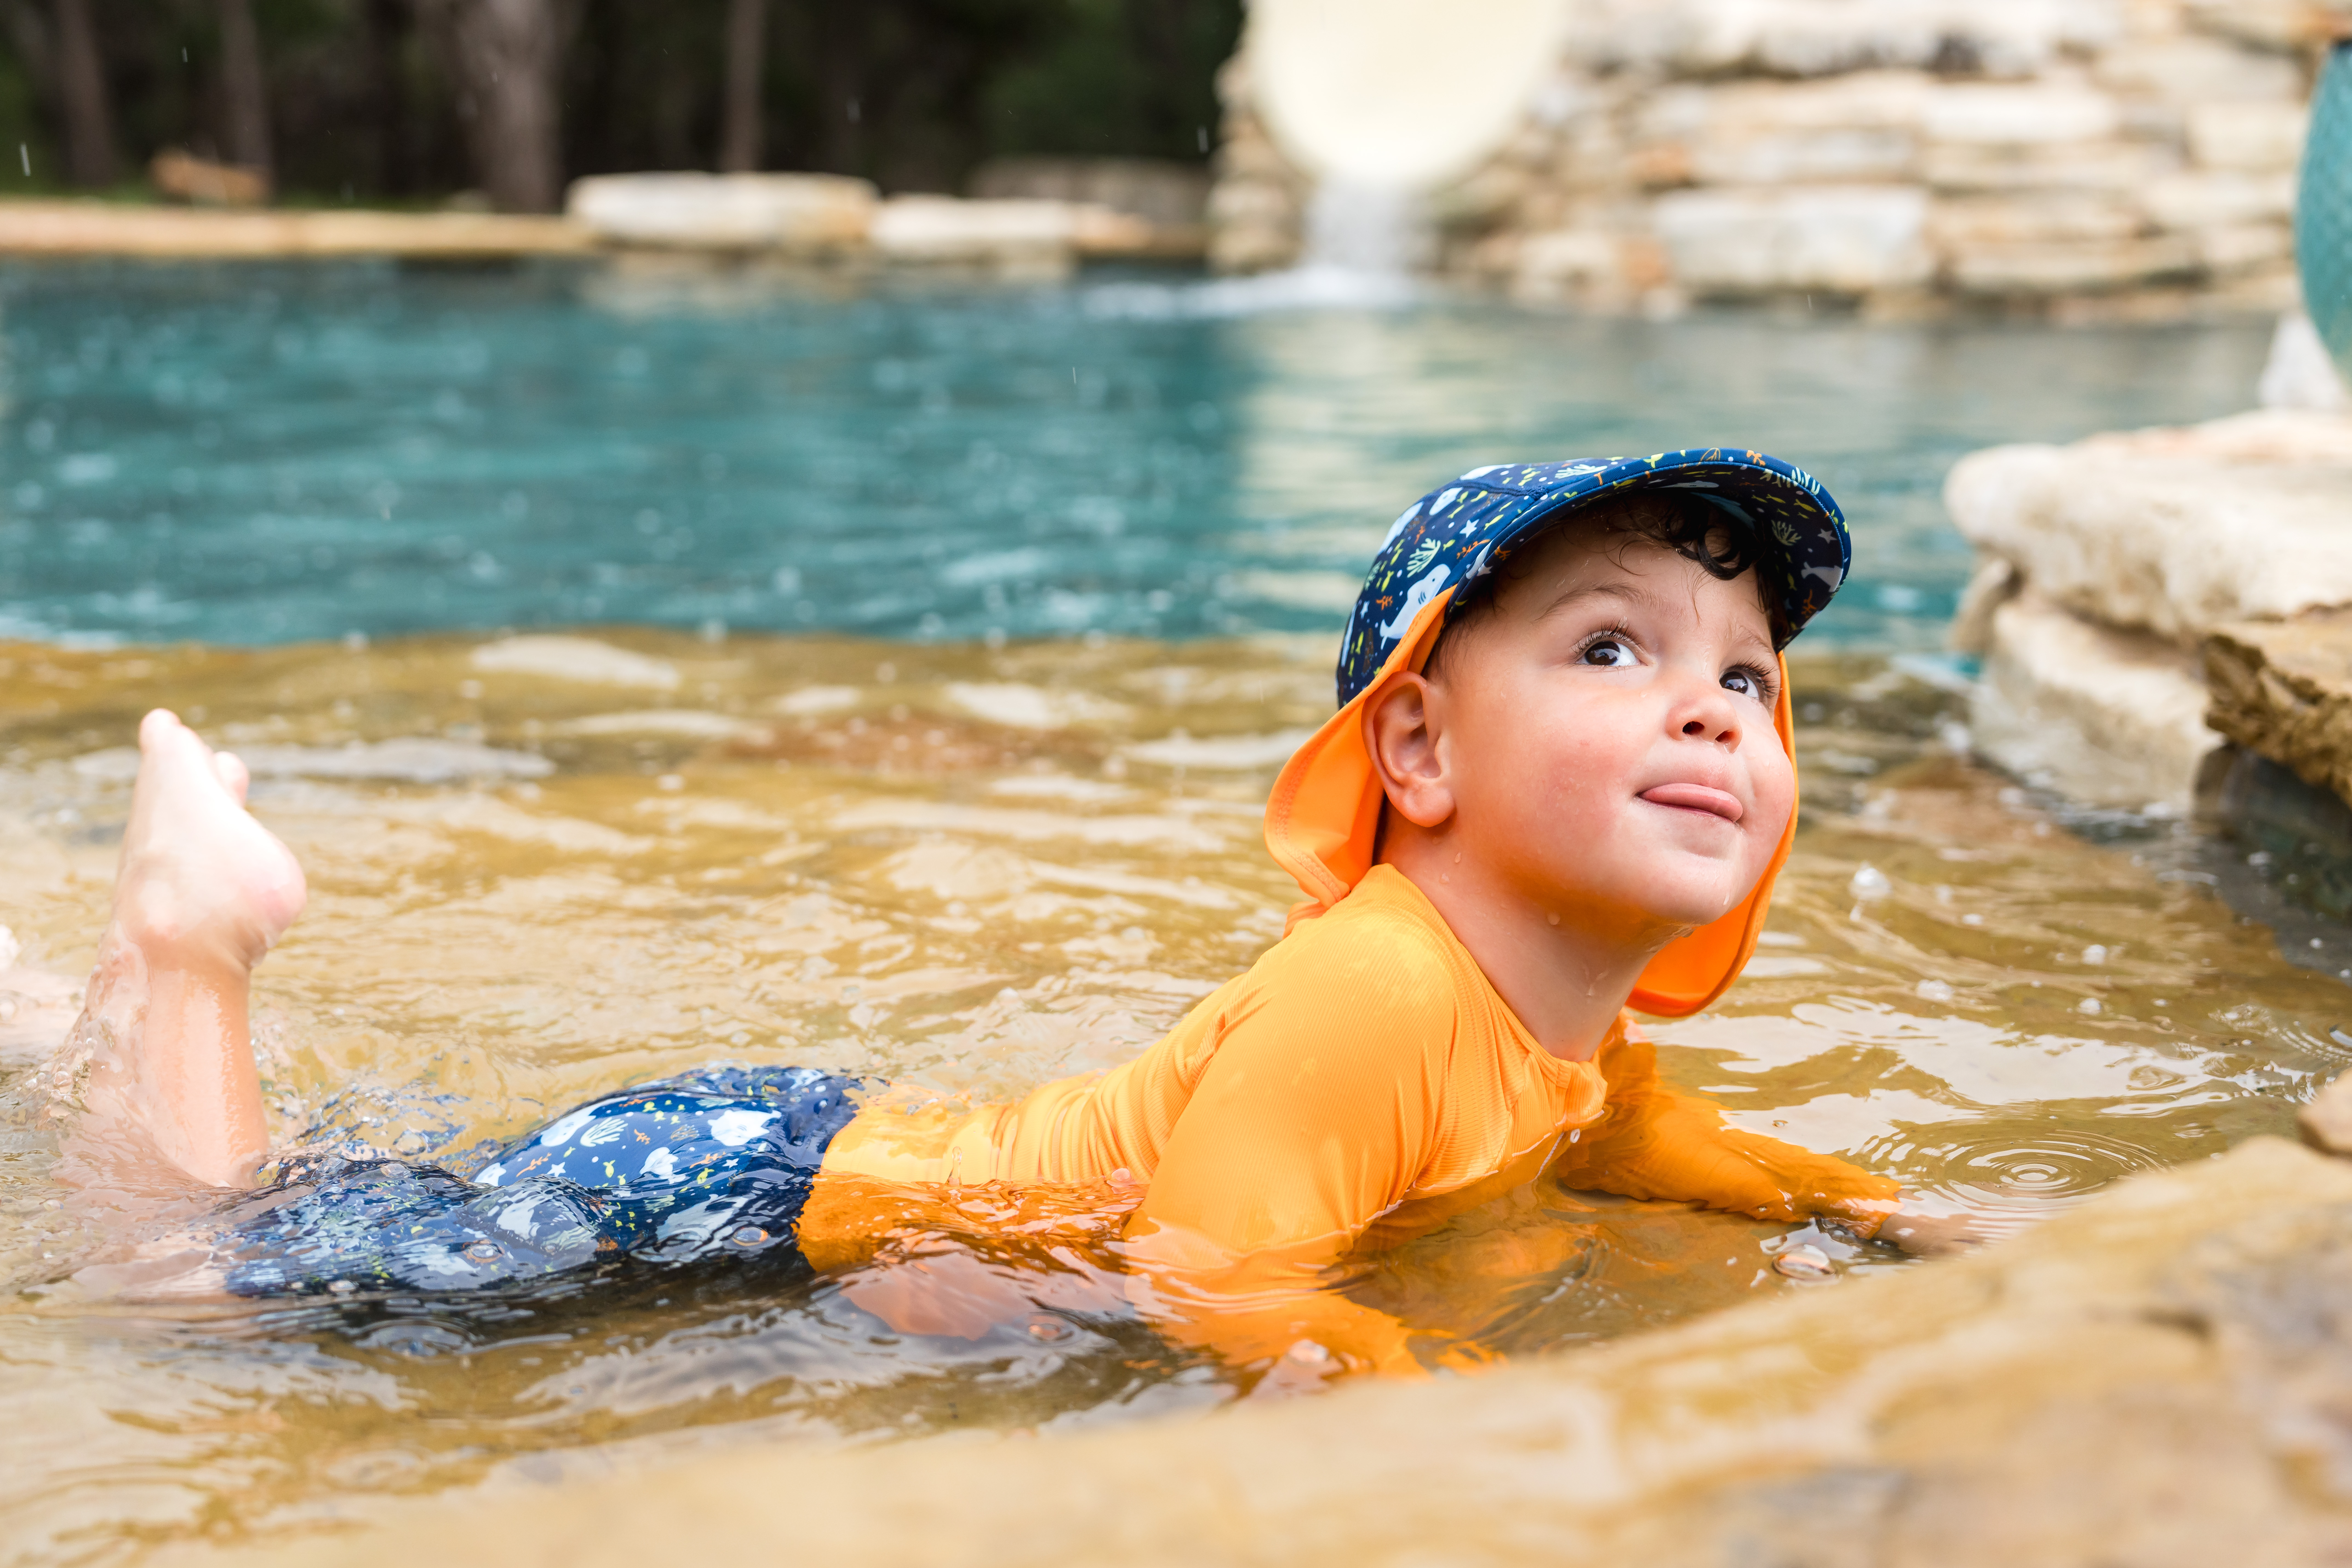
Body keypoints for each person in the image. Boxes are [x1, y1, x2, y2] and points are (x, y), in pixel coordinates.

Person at [44, 449, 1973, 1385]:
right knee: (190, 1288)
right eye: (1617, 646)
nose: (1716, 703)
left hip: (828, 1159)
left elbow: (1638, 1136)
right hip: (733, 1195)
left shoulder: (1549, 1017)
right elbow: (1228, 1279)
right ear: (1417, 748)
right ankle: (183, 939)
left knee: (323, 1214)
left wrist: (1858, 1208)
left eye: (1752, 679)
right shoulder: (1379, 997)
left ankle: (89, 1018)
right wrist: (1468, 1391)